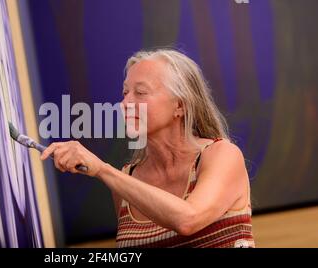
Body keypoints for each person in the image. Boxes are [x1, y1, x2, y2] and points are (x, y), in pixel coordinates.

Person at [41, 49, 255, 248]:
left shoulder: (221, 154)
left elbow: (188, 219)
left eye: (140, 92)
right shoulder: (127, 179)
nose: (125, 103)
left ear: (180, 106)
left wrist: (102, 170)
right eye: (125, 93)